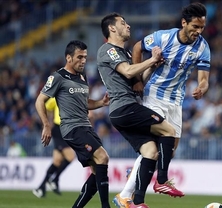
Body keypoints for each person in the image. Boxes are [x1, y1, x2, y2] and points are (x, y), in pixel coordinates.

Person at [112, 2, 210, 207]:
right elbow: (138, 47)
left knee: (169, 151)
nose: (198, 31)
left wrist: (202, 87)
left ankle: (136, 174)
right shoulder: (163, 37)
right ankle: (130, 195)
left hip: (176, 101)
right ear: (184, 23)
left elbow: (204, 78)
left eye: (201, 27)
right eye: (195, 27)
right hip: (154, 95)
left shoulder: (203, 47)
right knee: (155, 147)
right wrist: (137, 79)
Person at [97, 13, 184, 208]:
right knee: (169, 130)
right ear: (112, 28)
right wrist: (151, 59)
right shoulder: (108, 50)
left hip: (125, 111)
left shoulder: (126, 54)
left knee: (151, 152)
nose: (127, 26)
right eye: (122, 23)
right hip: (126, 107)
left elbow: (137, 80)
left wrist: (154, 65)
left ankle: (134, 201)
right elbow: (128, 71)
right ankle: (161, 180)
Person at [35, 40, 111, 208]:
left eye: (85, 57)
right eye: (79, 57)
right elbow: (40, 101)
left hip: (85, 127)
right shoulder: (58, 77)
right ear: (69, 58)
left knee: (97, 170)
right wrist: (46, 125)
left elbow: (85, 103)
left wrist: (101, 103)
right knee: (103, 157)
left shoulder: (82, 78)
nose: (83, 60)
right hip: (72, 128)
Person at [33, 97, 76, 198]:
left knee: (57, 161)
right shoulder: (56, 97)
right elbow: (45, 107)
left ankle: (41, 188)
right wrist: (47, 123)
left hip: (66, 130)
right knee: (70, 157)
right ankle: (54, 180)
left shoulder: (71, 95)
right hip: (59, 129)